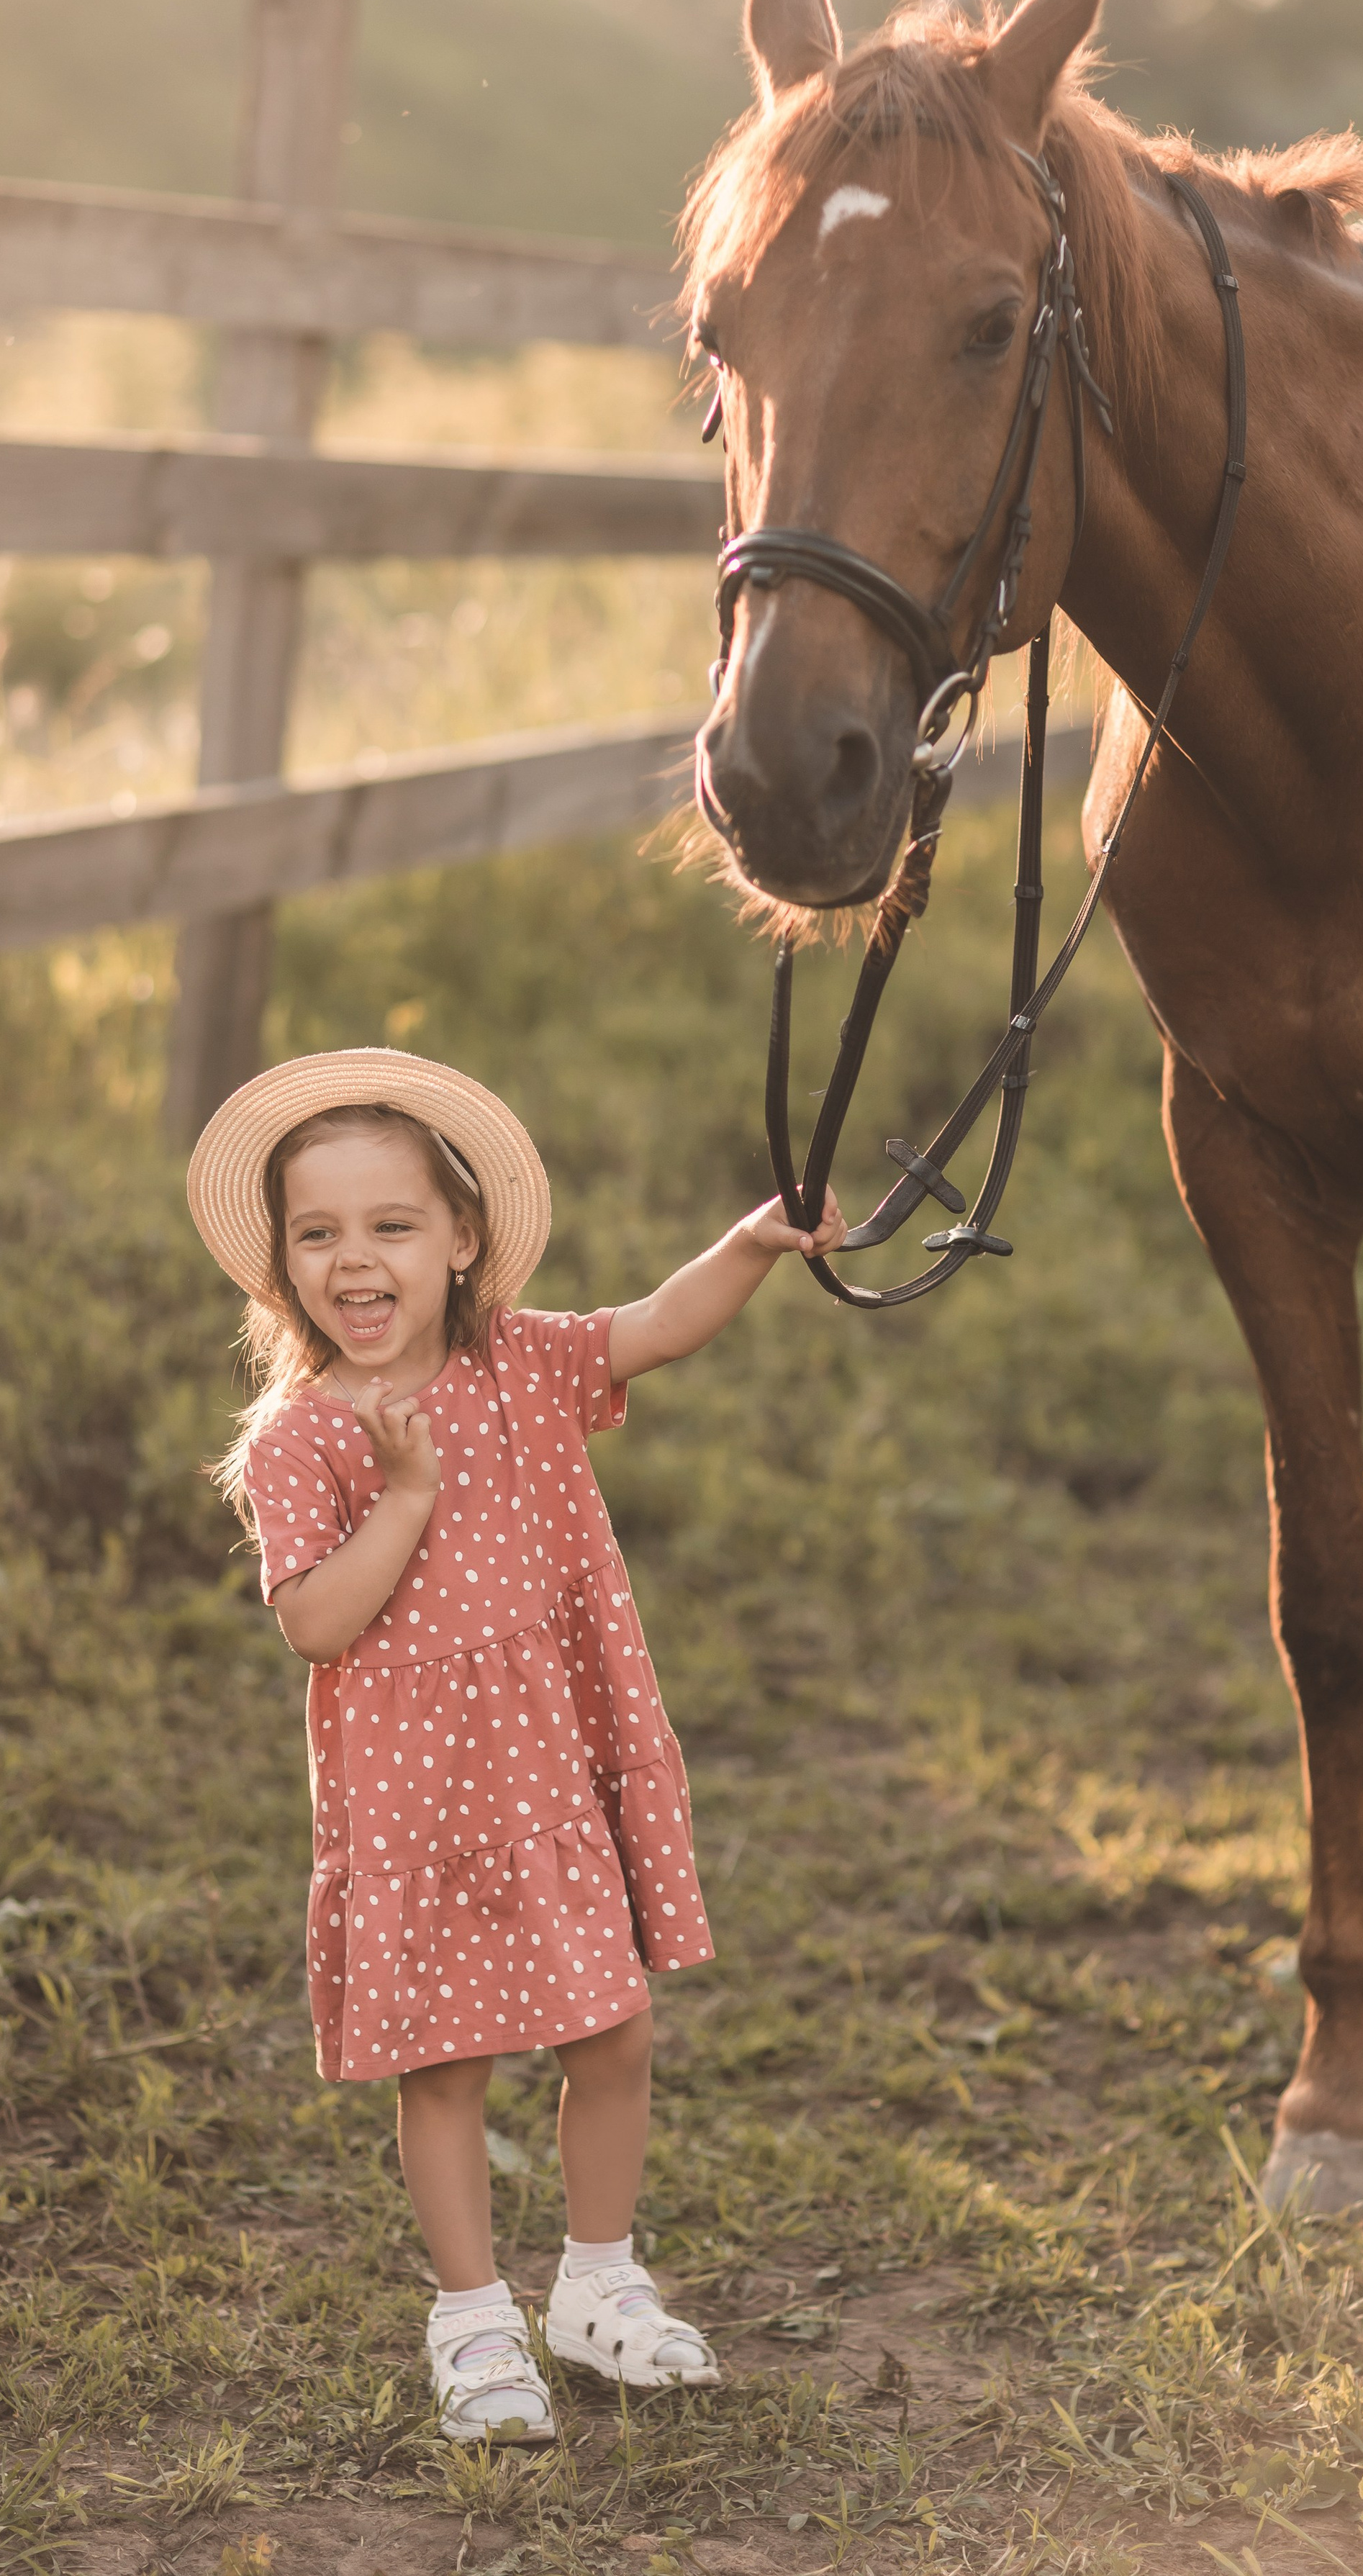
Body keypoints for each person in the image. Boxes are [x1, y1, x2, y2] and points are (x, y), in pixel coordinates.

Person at [186, 1046, 845, 2445]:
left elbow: (653, 1328)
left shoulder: (521, 1364)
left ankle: (598, 2283)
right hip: (418, 1804)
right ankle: (474, 2316)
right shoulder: (300, 1437)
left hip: (549, 1771)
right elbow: (315, 1621)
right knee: (446, 2062)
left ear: (461, 1239)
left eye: (391, 1224)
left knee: (614, 2030)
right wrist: (405, 1494)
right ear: (283, 1263)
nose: (354, 1260)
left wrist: (751, 1243)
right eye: (318, 1233)